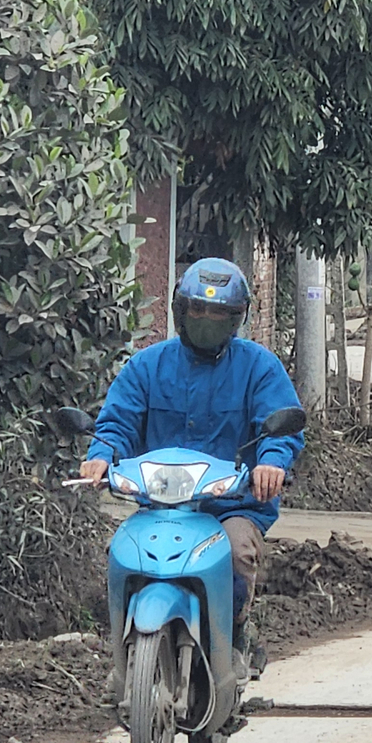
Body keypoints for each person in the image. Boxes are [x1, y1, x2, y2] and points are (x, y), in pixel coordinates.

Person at [79, 258, 304, 678]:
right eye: (198, 309)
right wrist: (100, 455)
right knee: (121, 555)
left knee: (238, 554)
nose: (206, 319)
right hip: (160, 508)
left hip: (231, 506)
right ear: (181, 312)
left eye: (218, 312)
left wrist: (271, 463)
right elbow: (117, 422)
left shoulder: (259, 367)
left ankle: (236, 636)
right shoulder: (147, 366)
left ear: (237, 318)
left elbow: (281, 424)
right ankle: (124, 650)